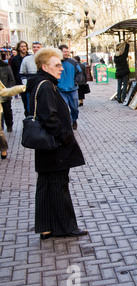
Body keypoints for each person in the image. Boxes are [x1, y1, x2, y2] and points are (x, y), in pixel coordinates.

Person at [26, 47, 87, 240]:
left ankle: (46, 227)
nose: (61, 68)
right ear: (45, 66)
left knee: (46, 184)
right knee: (58, 185)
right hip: (54, 146)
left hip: (47, 146)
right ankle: (65, 226)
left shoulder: (42, 83)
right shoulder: (45, 85)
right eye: (57, 65)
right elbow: (49, 117)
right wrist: (65, 136)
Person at [58, 45, 82, 130]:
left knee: (74, 107)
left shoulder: (73, 62)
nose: (66, 53)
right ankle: (67, 124)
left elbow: (80, 73)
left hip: (72, 89)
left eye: (67, 51)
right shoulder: (56, 63)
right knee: (64, 108)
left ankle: (74, 119)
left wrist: (75, 82)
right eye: (64, 51)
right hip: (61, 90)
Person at [10, 40, 30, 116]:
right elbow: (13, 72)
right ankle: (28, 118)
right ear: (18, 48)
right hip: (21, 84)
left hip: (30, 82)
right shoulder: (14, 59)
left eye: (25, 46)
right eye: (22, 46)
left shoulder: (30, 57)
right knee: (25, 103)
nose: (24, 48)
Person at [0, 58, 16, 132]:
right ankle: (1, 128)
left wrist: (8, 90)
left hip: (5, 93)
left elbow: (11, 80)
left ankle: (9, 125)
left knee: (7, 111)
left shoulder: (6, 67)